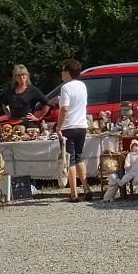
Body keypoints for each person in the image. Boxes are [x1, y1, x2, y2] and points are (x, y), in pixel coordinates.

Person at [55, 58, 91, 202]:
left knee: (70, 160)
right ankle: (87, 188)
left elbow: (64, 109)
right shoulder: (82, 85)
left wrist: (58, 127)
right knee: (80, 157)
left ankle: (74, 193)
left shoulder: (66, 87)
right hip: (82, 125)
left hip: (68, 127)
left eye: (63, 70)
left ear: (68, 72)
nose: (61, 73)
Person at [3, 64, 50, 129]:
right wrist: (8, 114)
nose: (22, 77)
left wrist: (39, 117)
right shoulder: (11, 91)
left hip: (28, 125)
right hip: (13, 124)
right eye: (19, 75)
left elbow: (47, 103)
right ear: (15, 77)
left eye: (23, 75)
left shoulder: (32, 90)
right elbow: (4, 103)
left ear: (27, 76)